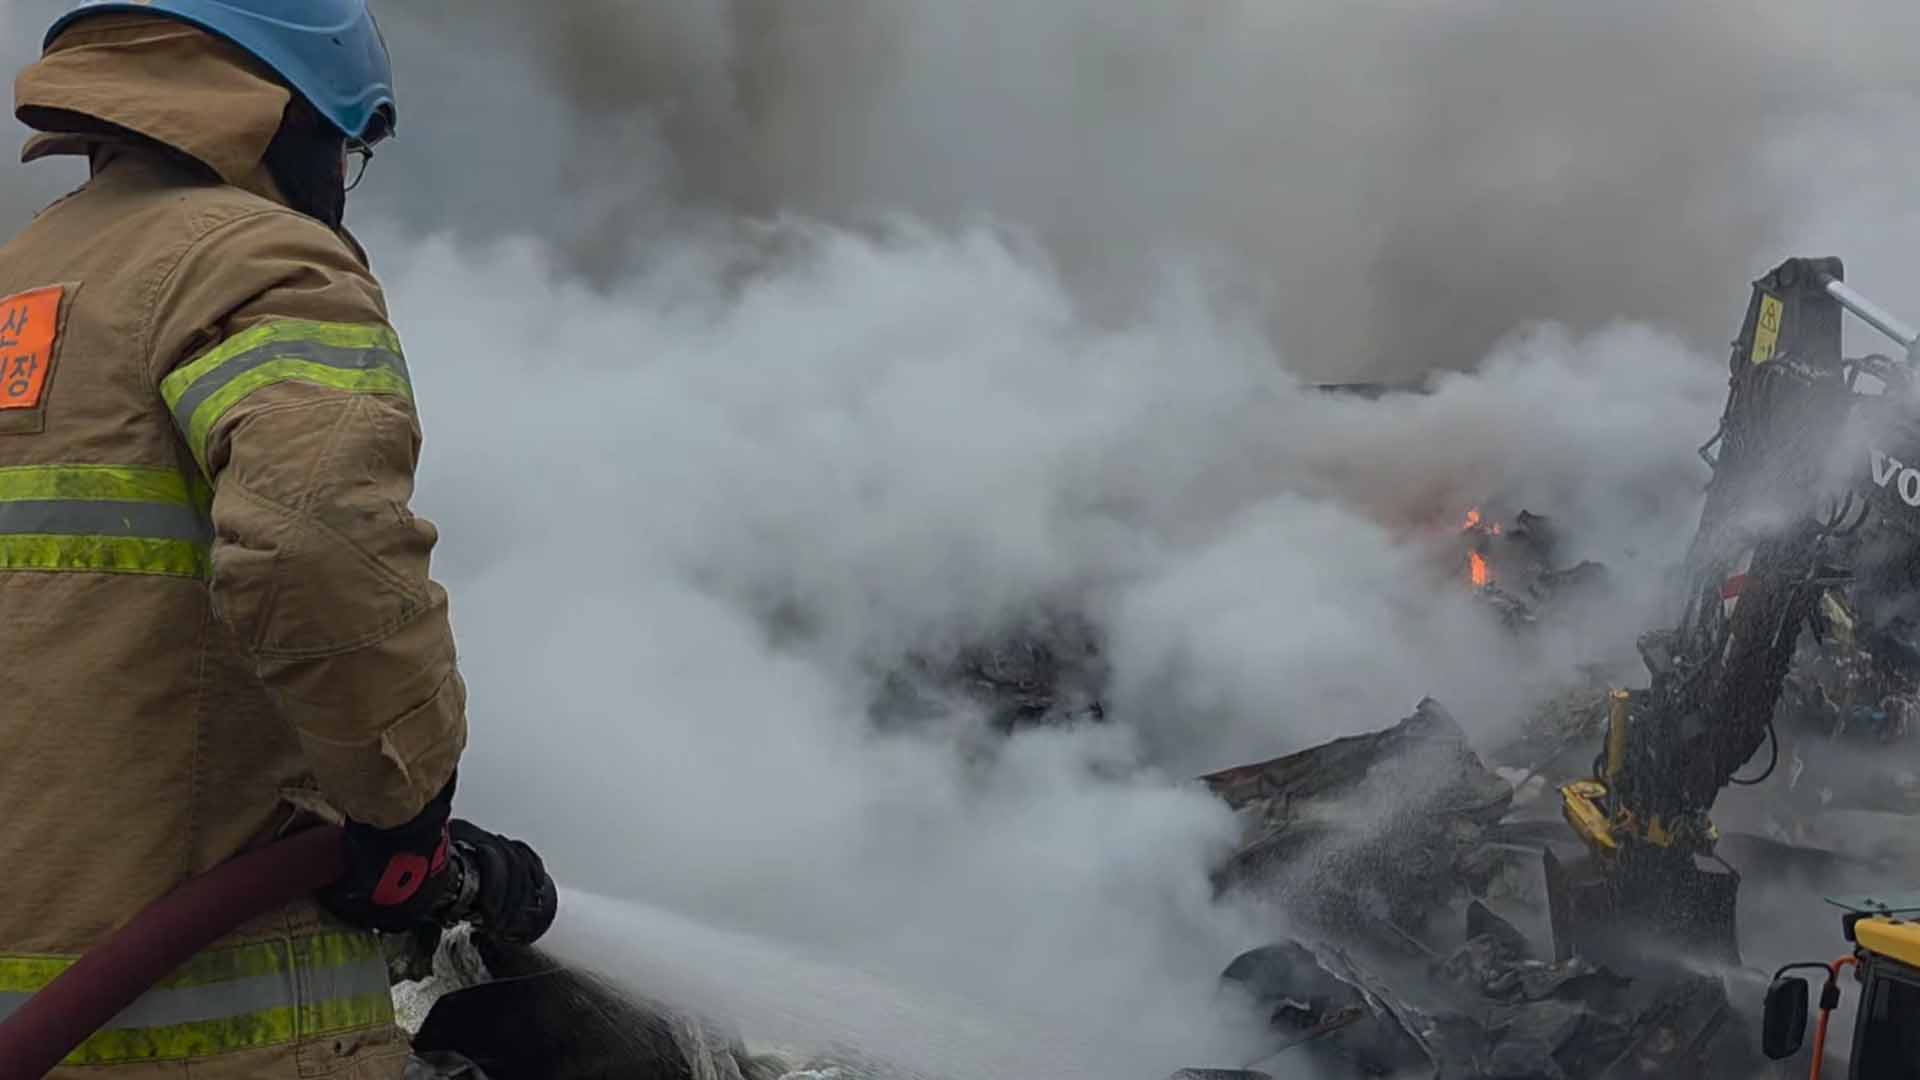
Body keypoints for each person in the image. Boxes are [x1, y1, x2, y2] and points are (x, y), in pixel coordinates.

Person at [0, 2, 550, 1075]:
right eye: (346, 146)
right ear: (286, 114)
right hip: (207, 1043)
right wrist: (404, 809)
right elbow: (315, 545)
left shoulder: (25, 279)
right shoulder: (259, 262)